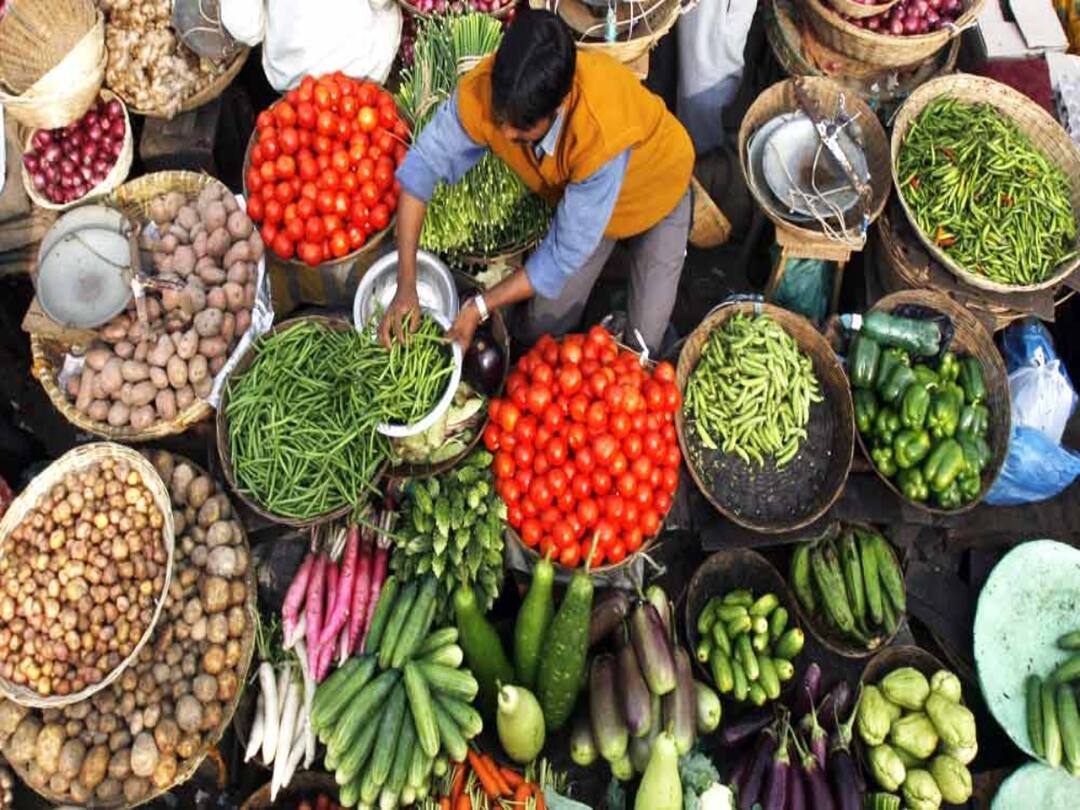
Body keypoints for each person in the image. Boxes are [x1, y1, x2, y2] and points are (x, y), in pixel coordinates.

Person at [378, 8, 694, 355]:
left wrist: (479, 307)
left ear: (558, 107)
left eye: (522, 129)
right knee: (540, 326)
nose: (505, 132)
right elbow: (421, 166)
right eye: (500, 118)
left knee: (643, 343)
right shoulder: (485, 90)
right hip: (586, 210)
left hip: (658, 189)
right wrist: (406, 282)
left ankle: (631, 311)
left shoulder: (597, 129)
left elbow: (560, 257)